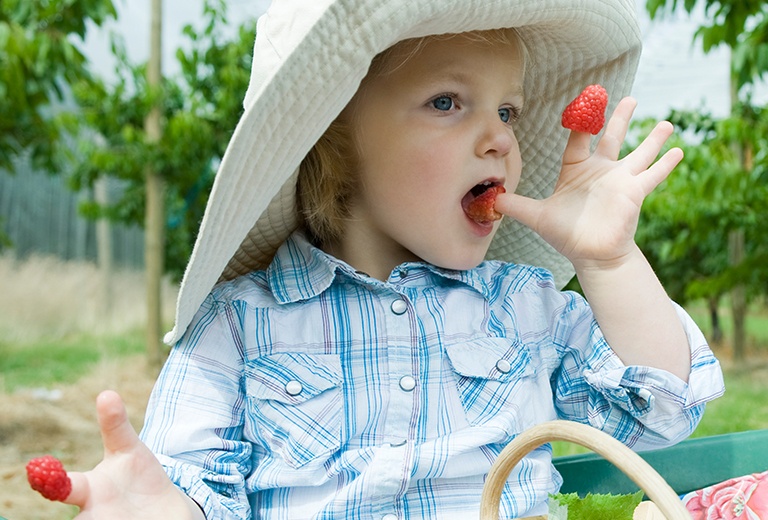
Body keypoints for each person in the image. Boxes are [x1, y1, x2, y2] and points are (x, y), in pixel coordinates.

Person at [58, 0, 725, 518]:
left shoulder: (523, 307)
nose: (499, 137)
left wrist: (608, 262)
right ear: (334, 138)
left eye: (510, 111)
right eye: (446, 102)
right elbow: (193, 485)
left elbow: (662, 410)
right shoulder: (239, 326)